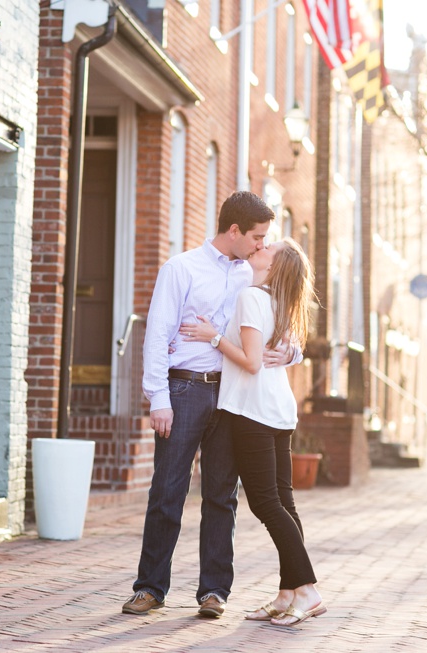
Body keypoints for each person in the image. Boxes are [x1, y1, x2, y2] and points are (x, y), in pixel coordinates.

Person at [122, 191, 297, 619]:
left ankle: (214, 591)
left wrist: (292, 354)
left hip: (233, 397)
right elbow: (157, 336)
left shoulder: (254, 275)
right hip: (184, 391)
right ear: (233, 230)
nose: (262, 245)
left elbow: (284, 325)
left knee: (222, 495)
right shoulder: (181, 268)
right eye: (257, 236)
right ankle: (150, 588)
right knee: (168, 491)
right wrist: (158, 398)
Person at [186, 237, 326, 626]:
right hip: (278, 411)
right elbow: (274, 353)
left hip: (253, 412)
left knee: (265, 504)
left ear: (274, 266)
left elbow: (249, 362)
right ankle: (287, 594)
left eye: (268, 248)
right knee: (284, 502)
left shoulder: (252, 296)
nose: (258, 248)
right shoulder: (281, 302)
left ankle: (308, 590)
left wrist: (213, 337)